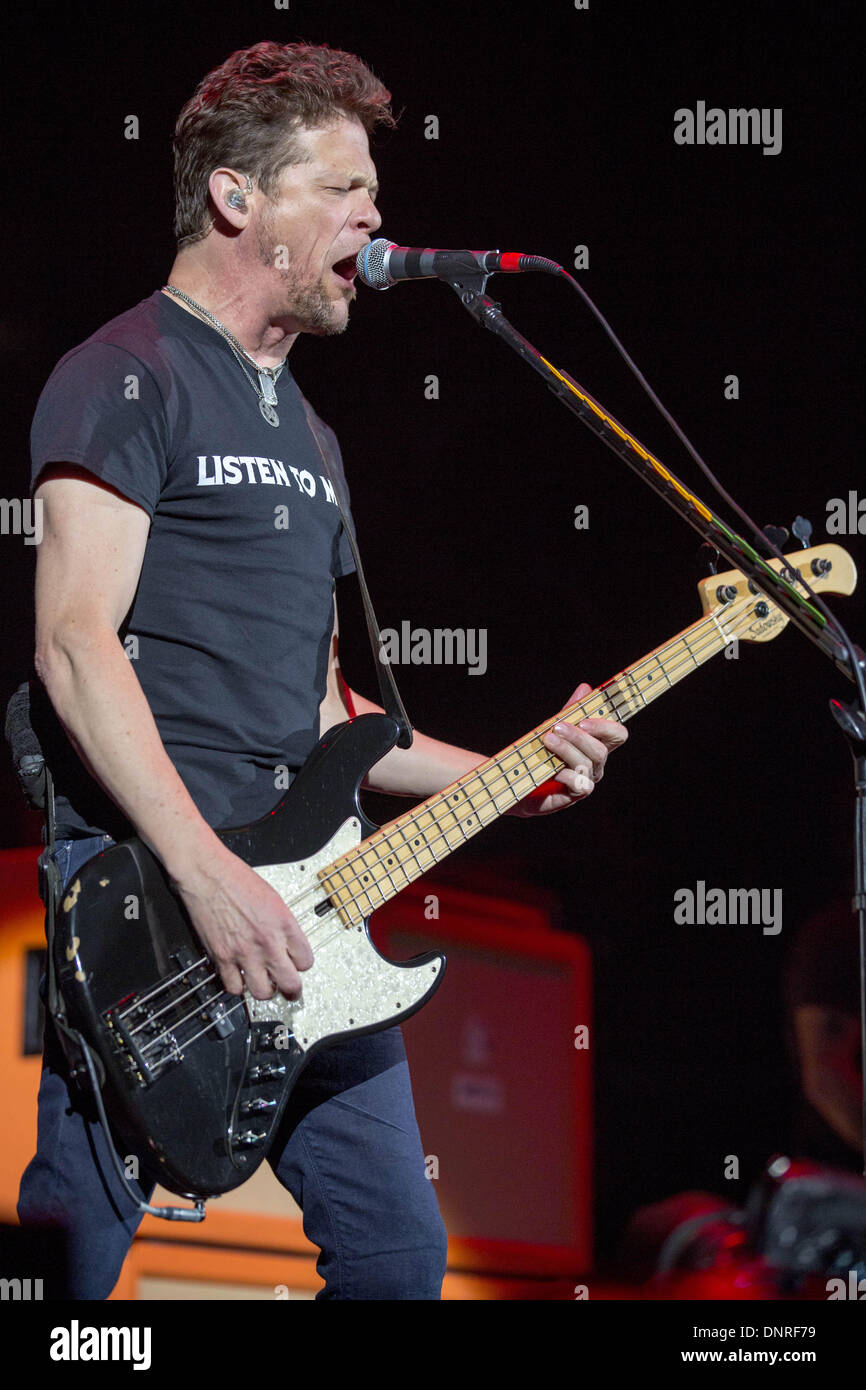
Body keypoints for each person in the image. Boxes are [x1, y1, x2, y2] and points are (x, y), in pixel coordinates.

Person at [17, 40, 627, 1300]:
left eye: (374, 197)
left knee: (399, 1259)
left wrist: (519, 771)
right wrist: (208, 870)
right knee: (74, 1258)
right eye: (341, 188)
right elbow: (73, 645)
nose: (374, 218)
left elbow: (332, 714)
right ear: (238, 198)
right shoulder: (124, 374)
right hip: (155, 893)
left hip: (309, 908)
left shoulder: (315, 435)